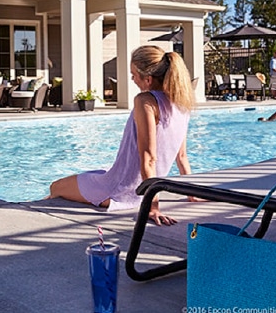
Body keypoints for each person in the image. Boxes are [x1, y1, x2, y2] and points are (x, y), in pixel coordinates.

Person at [48, 46, 196, 226]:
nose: (132, 79)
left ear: (148, 79)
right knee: (93, 173)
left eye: (134, 75)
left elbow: (149, 158)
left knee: (55, 187)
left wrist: (152, 207)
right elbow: (182, 157)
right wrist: (192, 194)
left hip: (118, 191)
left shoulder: (145, 101)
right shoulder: (182, 103)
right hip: (139, 188)